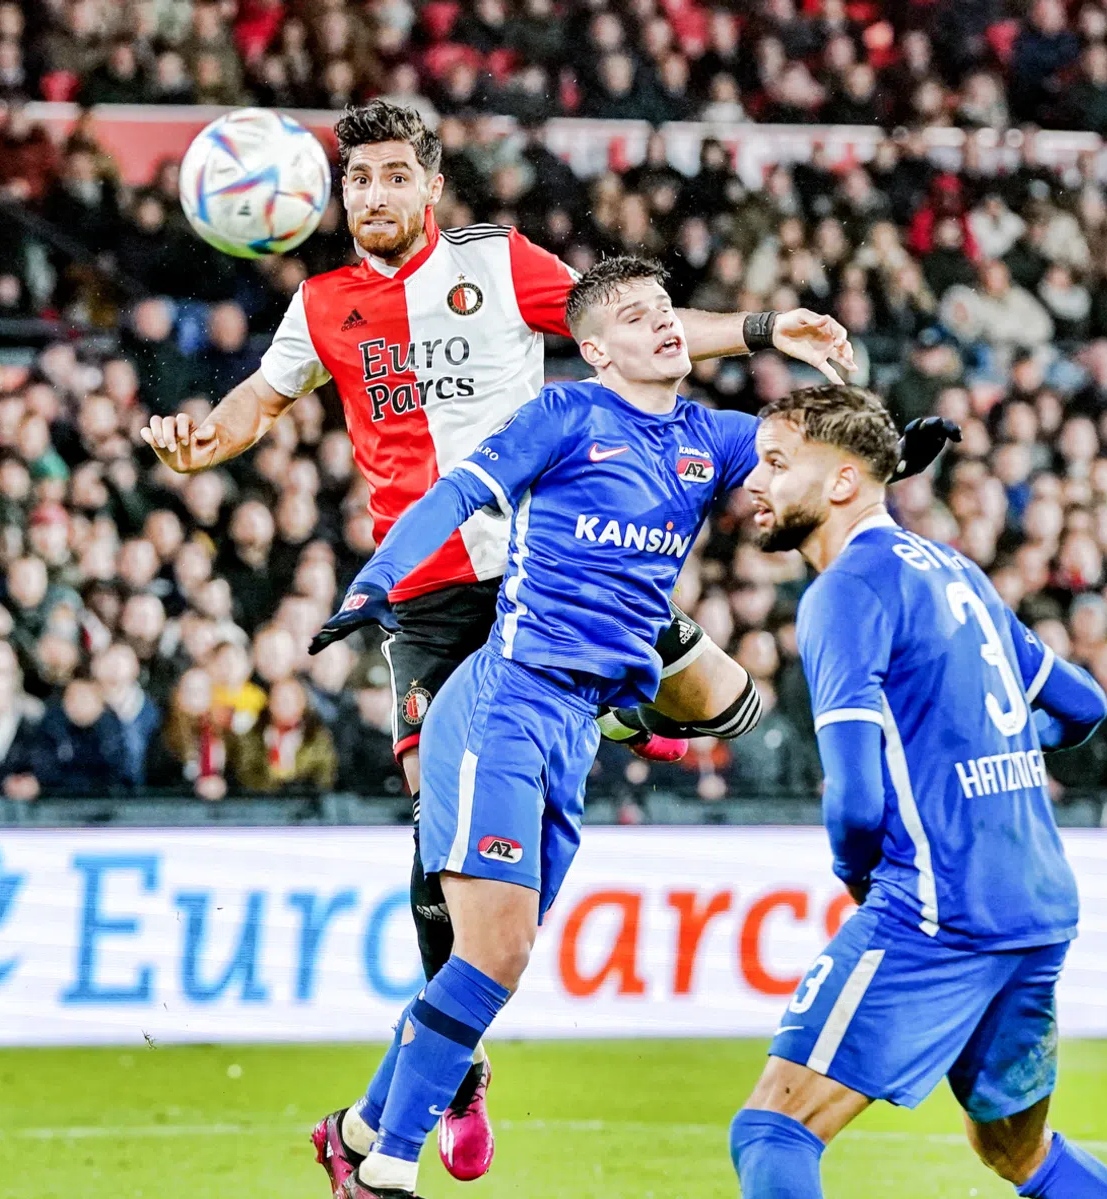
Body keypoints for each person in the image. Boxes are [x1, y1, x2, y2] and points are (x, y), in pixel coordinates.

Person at [138, 98, 855, 1181]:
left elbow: (629, 325)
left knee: (728, 705)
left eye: (391, 176)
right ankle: (456, 1074)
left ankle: (617, 710)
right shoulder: (322, 304)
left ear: (429, 188)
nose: (372, 195)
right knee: (443, 867)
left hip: (558, 562)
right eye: (357, 180)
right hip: (432, 594)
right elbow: (253, 405)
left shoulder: (498, 263)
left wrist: (762, 331)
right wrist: (200, 442)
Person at [300, 259, 951, 1199]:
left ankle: (356, 1128)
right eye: (639, 316)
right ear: (596, 347)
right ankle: (387, 1166)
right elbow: (454, 498)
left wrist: (893, 455)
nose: (665, 325)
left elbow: (811, 458)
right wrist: (376, 582)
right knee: (490, 950)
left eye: (667, 311)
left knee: (499, 957)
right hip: (505, 701)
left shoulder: (711, 438)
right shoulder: (564, 417)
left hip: (575, 723)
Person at [729, 385, 1107, 1199]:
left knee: (773, 1126)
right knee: (1018, 1153)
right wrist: (997, 748)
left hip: (937, 910)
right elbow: (1083, 704)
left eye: (775, 464)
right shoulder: (953, 567)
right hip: (1035, 904)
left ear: (842, 482)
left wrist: (858, 876)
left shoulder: (842, 590)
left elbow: (854, 800)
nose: (754, 483)